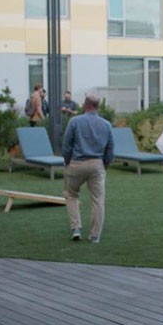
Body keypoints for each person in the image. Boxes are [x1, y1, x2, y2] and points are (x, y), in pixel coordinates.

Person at [61, 94, 114, 243]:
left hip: (76, 163)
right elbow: (110, 149)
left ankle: (76, 228)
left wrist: (67, 162)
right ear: (97, 106)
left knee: (71, 194)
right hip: (97, 164)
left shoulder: (75, 121)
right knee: (98, 200)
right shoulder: (106, 125)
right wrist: (105, 165)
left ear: (86, 105)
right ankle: (94, 236)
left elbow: (66, 144)